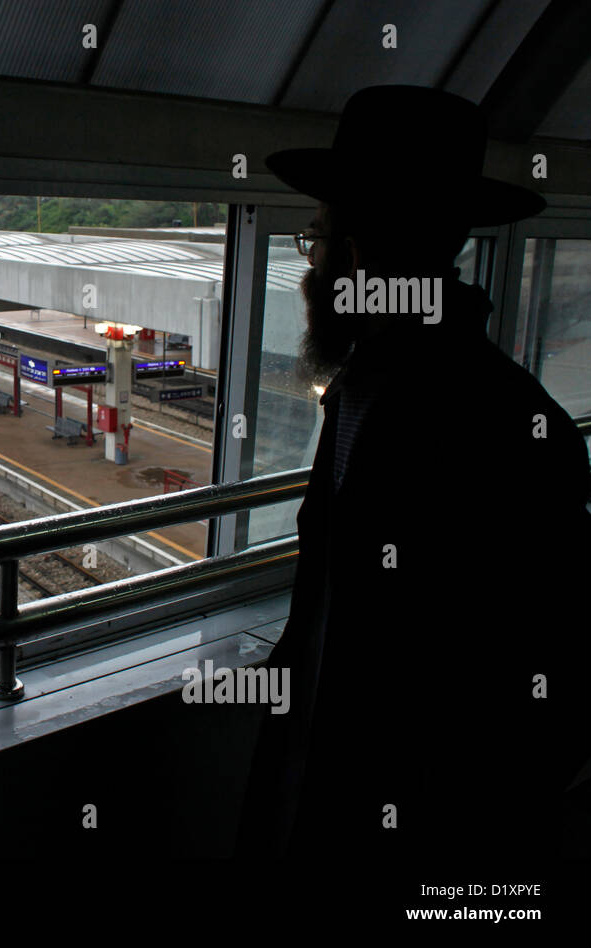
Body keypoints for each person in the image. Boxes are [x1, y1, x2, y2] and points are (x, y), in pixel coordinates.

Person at [236, 85, 591, 859]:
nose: (311, 267)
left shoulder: (483, 424)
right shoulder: (383, 391)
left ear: (358, 256)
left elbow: (536, 706)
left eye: (318, 243)